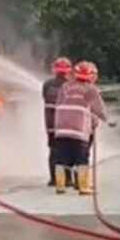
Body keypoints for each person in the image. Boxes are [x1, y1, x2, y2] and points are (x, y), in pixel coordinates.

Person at [52, 61, 114, 195]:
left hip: (61, 129)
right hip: (78, 130)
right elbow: (98, 108)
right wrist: (108, 120)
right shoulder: (90, 89)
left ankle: (60, 186)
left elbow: (58, 105)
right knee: (82, 158)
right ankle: (83, 187)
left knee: (61, 158)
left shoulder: (65, 86)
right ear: (91, 76)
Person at [42, 57, 73, 185]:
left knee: (54, 151)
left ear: (54, 70)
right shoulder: (71, 85)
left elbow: (44, 98)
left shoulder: (47, 84)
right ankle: (67, 179)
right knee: (68, 151)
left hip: (51, 124)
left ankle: (54, 179)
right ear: (68, 71)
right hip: (66, 124)